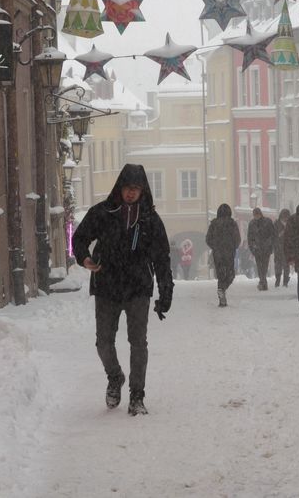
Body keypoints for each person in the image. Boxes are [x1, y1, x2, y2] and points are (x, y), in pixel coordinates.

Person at [73, 164, 173, 416]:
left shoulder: (150, 220)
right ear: (120, 188)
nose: (131, 193)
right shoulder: (103, 212)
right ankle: (115, 376)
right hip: (107, 285)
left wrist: (165, 291)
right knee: (103, 342)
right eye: (128, 188)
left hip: (138, 287)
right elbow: (80, 238)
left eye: (136, 189)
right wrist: (84, 258)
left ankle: (137, 396)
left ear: (142, 191)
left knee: (138, 342)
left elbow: (161, 258)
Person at [205, 203, 241, 307]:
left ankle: (222, 297)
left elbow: (208, 239)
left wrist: (215, 247)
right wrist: (233, 246)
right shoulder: (232, 223)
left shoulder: (214, 224)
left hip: (217, 253)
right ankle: (223, 288)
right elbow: (237, 239)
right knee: (230, 274)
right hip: (229, 252)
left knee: (220, 275)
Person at [247, 207, 275, 290]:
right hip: (257, 249)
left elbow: (273, 235)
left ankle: (262, 282)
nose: (256, 216)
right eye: (255, 215)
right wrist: (252, 248)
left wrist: (270, 246)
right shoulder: (252, 223)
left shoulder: (268, 222)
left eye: (257, 214)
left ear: (260, 214)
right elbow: (250, 237)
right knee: (259, 266)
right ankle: (263, 281)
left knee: (265, 266)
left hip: (266, 248)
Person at [273, 208, 291, 287]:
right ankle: (278, 280)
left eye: (287, 217)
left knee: (286, 266)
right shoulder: (276, 224)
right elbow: (273, 235)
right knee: (278, 265)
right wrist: (279, 235)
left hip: (287, 248)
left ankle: (285, 281)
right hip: (278, 248)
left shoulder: (290, 224)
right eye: (284, 217)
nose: (285, 219)